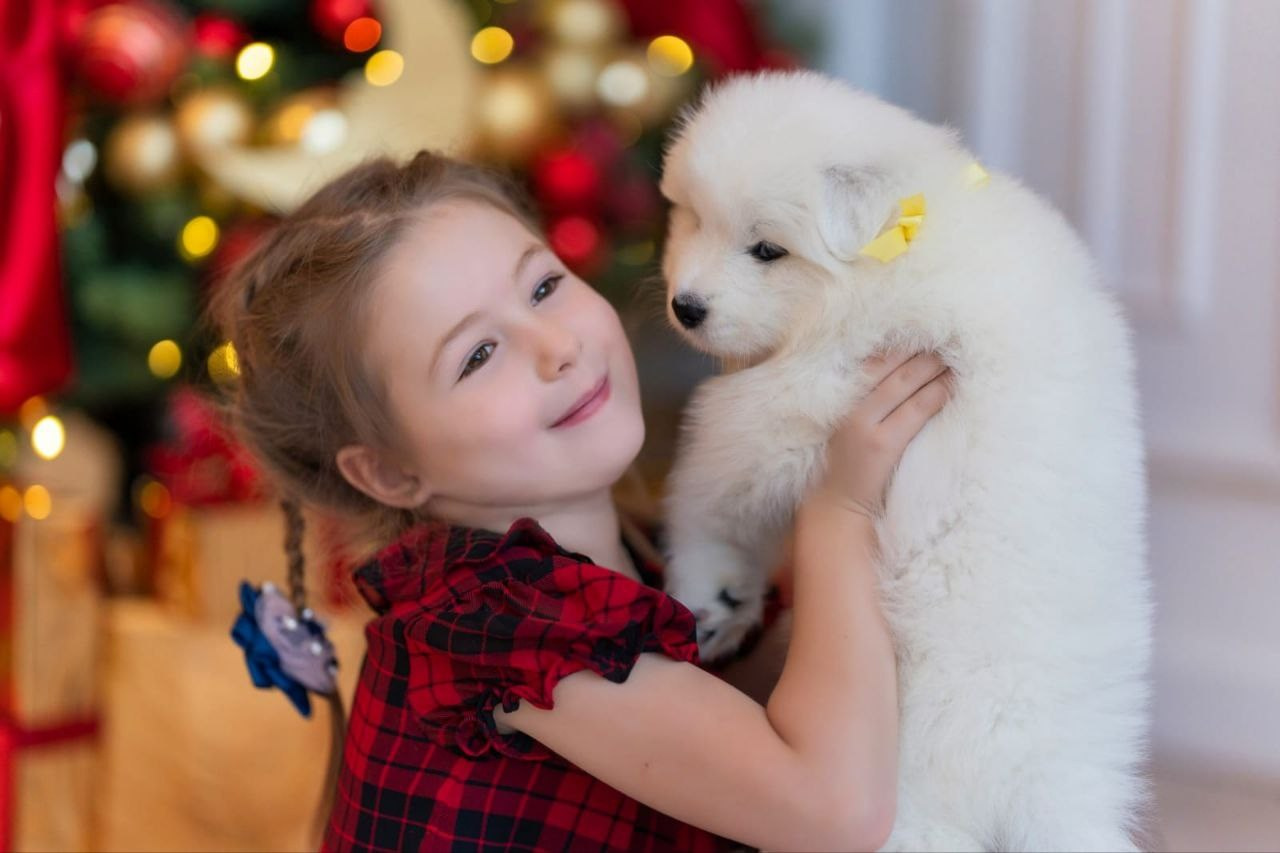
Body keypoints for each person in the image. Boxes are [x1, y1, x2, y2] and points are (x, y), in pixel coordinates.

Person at [212, 150, 954, 852]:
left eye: (543, 285)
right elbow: (835, 806)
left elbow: (767, 699)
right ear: (390, 473)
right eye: (477, 355)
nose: (554, 345)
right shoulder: (497, 621)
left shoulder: (624, 555)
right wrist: (841, 509)